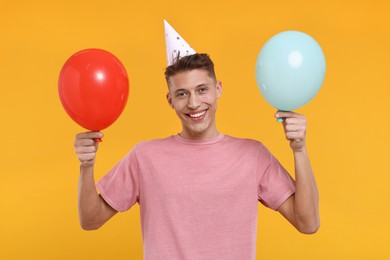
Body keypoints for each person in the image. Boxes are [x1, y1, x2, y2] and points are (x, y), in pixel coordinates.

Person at [74, 53, 319, 259]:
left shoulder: (252, 155)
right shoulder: (144, 156)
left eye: (202, 90)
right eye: (182, 94)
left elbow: (307, 223)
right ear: (170, 100)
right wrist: (87, 165)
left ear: (218, 89)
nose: (194, 103)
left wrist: (300, 149)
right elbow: (91, 220)